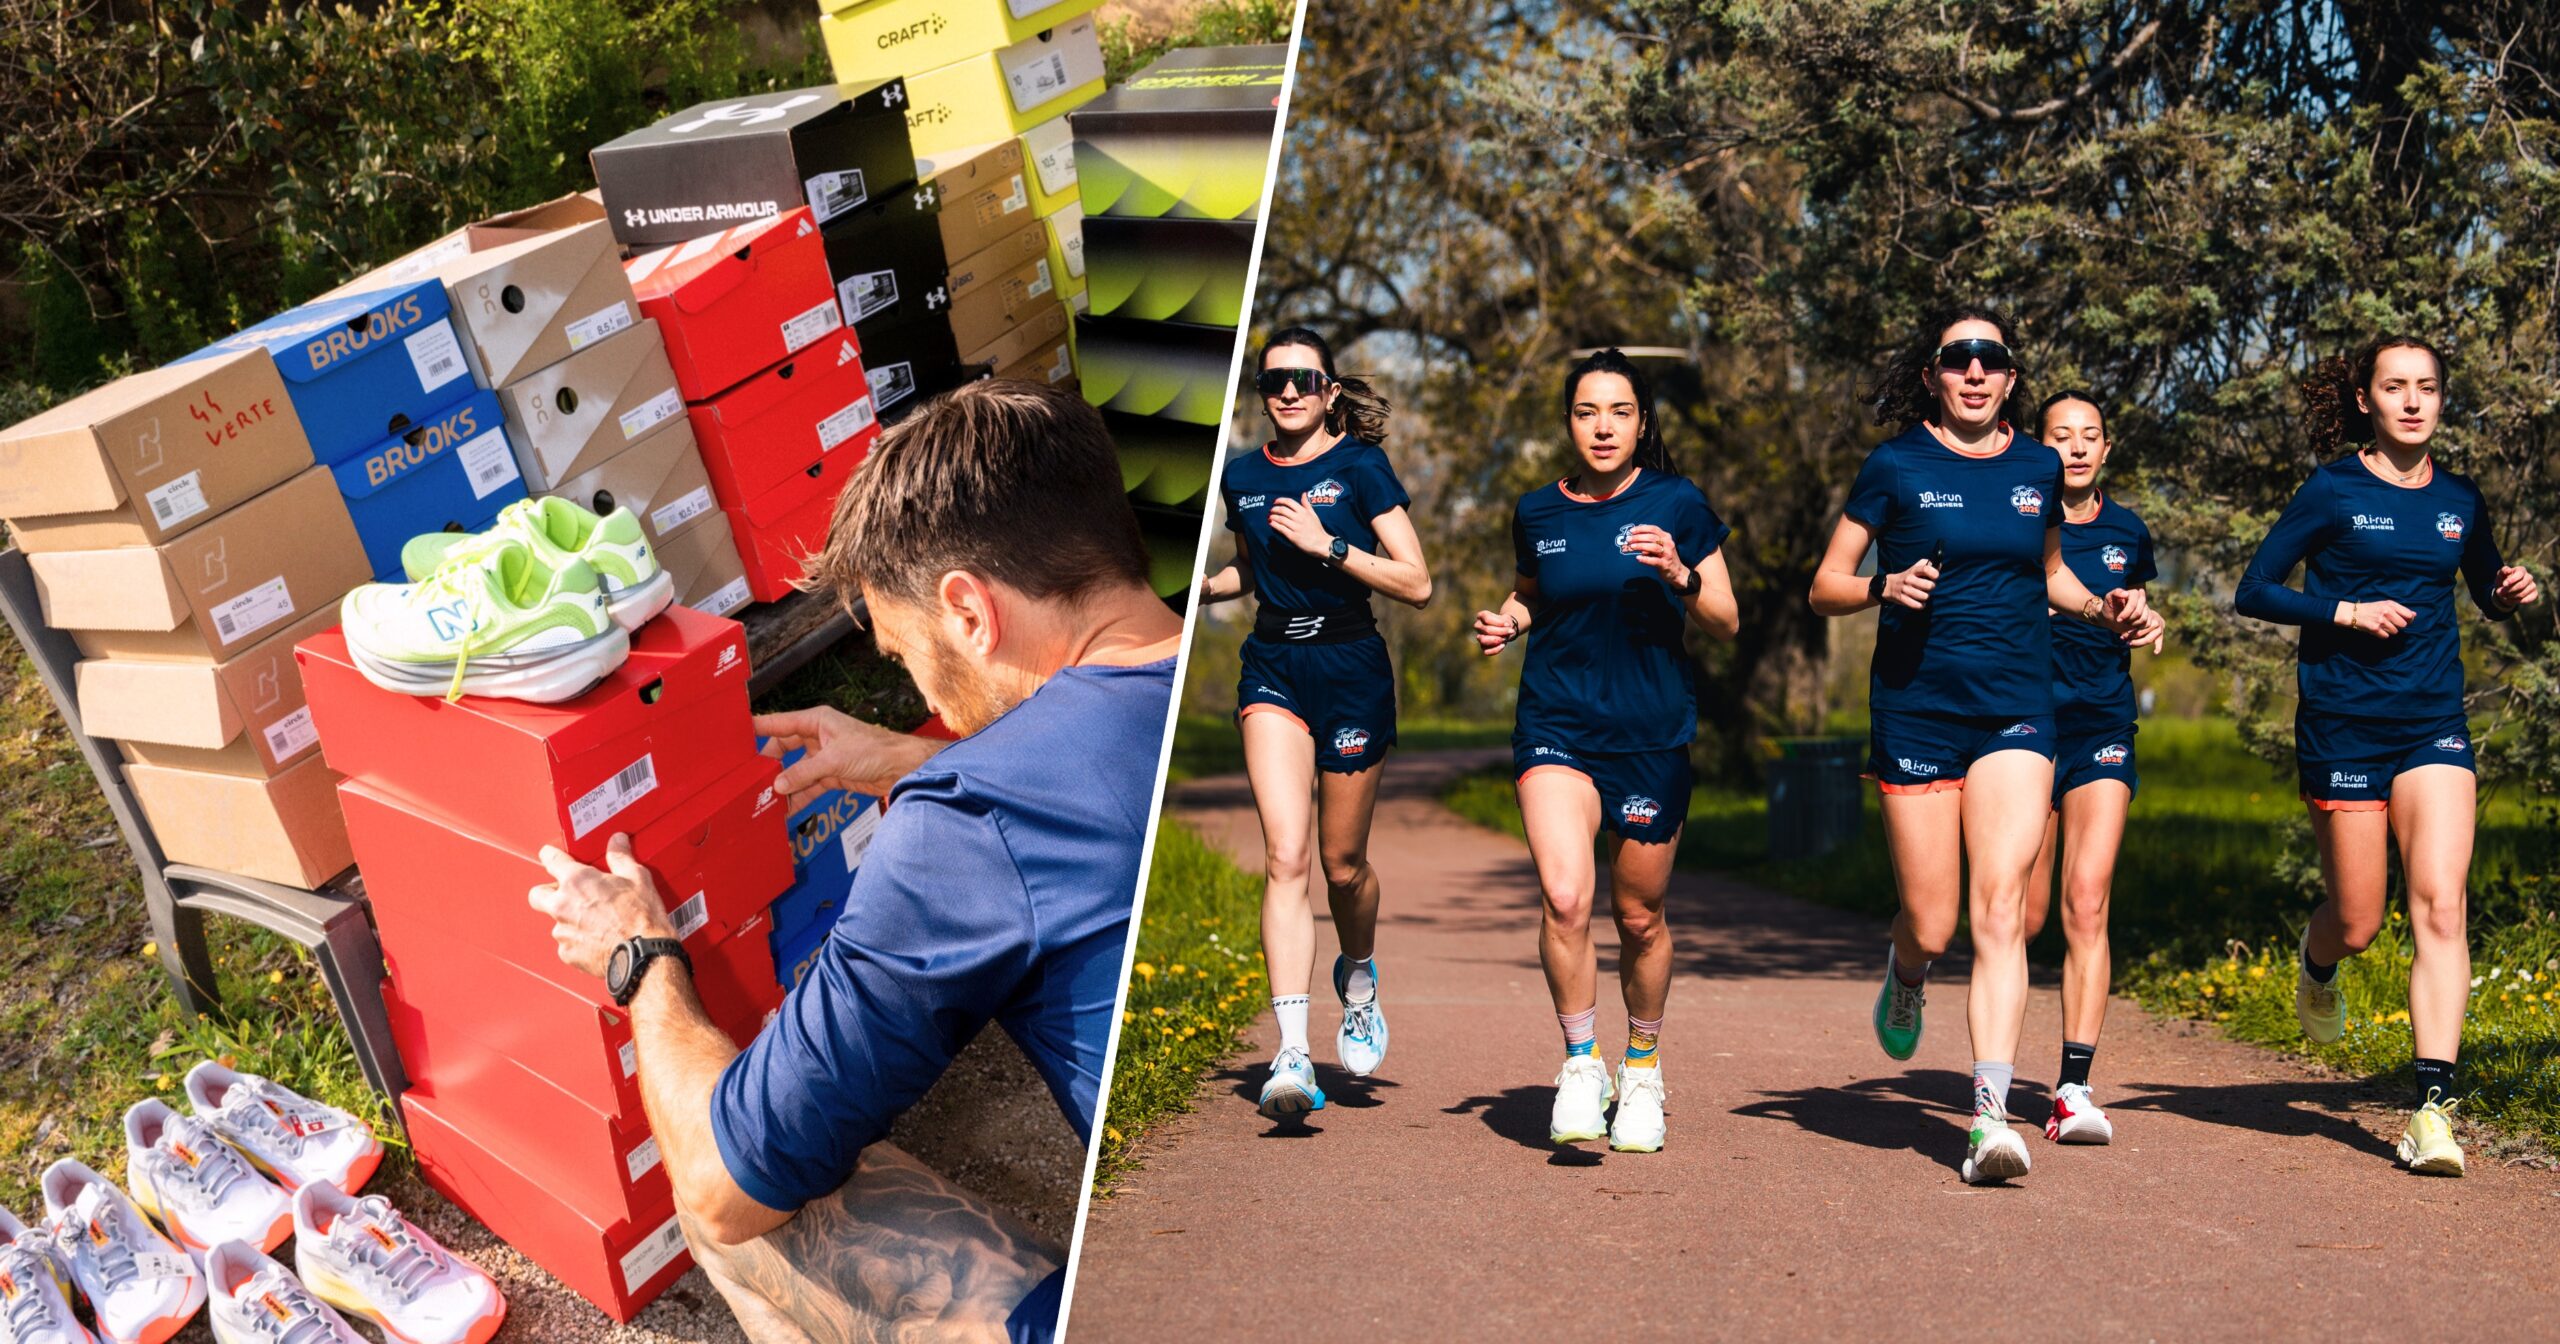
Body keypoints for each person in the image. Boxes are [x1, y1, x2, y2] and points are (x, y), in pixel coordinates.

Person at [526, 380, 1183, 1341]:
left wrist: (641, 957)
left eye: (902, 650)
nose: (917, 684)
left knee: (746, 1212)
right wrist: (923, 759)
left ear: (967, 611)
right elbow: (1107, 791)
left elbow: (722, 1184)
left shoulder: (967, 825)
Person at [1807, 306, 2157, 1184]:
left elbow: (2049, 574)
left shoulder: (2038, 467)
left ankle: (1988, 1121)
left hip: (2016, 711)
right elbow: (1824, 585)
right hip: (1919, 712)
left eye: (1991, 359)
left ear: (2009, 377)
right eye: (1958, 358)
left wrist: (2107, 607)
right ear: (1933, 374)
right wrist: (1883, 586)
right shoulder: (1895, 464)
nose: (1974, 371)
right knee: (1933, 919)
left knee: (2000, 909)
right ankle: (1908, 968)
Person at [2236, 335, 2538, 1177]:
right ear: (2366, 400)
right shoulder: (2333, 488)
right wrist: (2345, 612)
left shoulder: (2461, 498)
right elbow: (2254, 588)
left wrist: (2513, 592)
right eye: (2395, 387)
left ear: (2442, 400)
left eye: (2428, 387)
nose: (2413, 401)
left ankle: (2432, 1109)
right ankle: (2319, 960)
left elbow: (2484, 587)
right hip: (2343, 723)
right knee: (2361, 920)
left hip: (2432, 720)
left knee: (2442, 904)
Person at [1469, 349, 1739, 1153]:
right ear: (1568, 421)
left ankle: (1644, 1069)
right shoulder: (1538, 512)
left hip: (1651, 733)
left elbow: (1726, 616)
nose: (1603, 427)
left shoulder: (1676, 502)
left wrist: (1681, 573)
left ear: (1642, 422)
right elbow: (1533, 591)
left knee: (1640, 915)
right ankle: (1582, 1062)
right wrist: (1507, 620)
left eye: (1619, 412)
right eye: (1588, 412)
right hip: (1557, 723)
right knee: (1564, 897)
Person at [1199, 326, 1432, 1118]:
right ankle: (1292, 1056)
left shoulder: (1361, 468)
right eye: (1274, 382)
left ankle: (1358, 974)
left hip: (1350, 667)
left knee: (1341, 867)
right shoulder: (1243, 475)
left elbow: (1416, 581)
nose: (1288, 391)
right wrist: (1204, 588)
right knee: (1286, 856)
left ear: (1331, 391)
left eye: (1304, 379)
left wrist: (1331, 545)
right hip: (1273, 669)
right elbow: (1252, 569)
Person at [2018, 391, 2168, 1146]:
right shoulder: (2013, 516)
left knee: (2086, 900)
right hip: (2020, 727)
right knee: (2027, 915)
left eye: (2090, 436)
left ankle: (2073, 1086)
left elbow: (2135, 605)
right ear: (2039, 446)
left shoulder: (2127, 530)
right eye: (2061, 436)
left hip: (2102, 727)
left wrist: (2145, 617)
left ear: (2107, 447)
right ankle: (1986, 1063)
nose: (2076, 448)